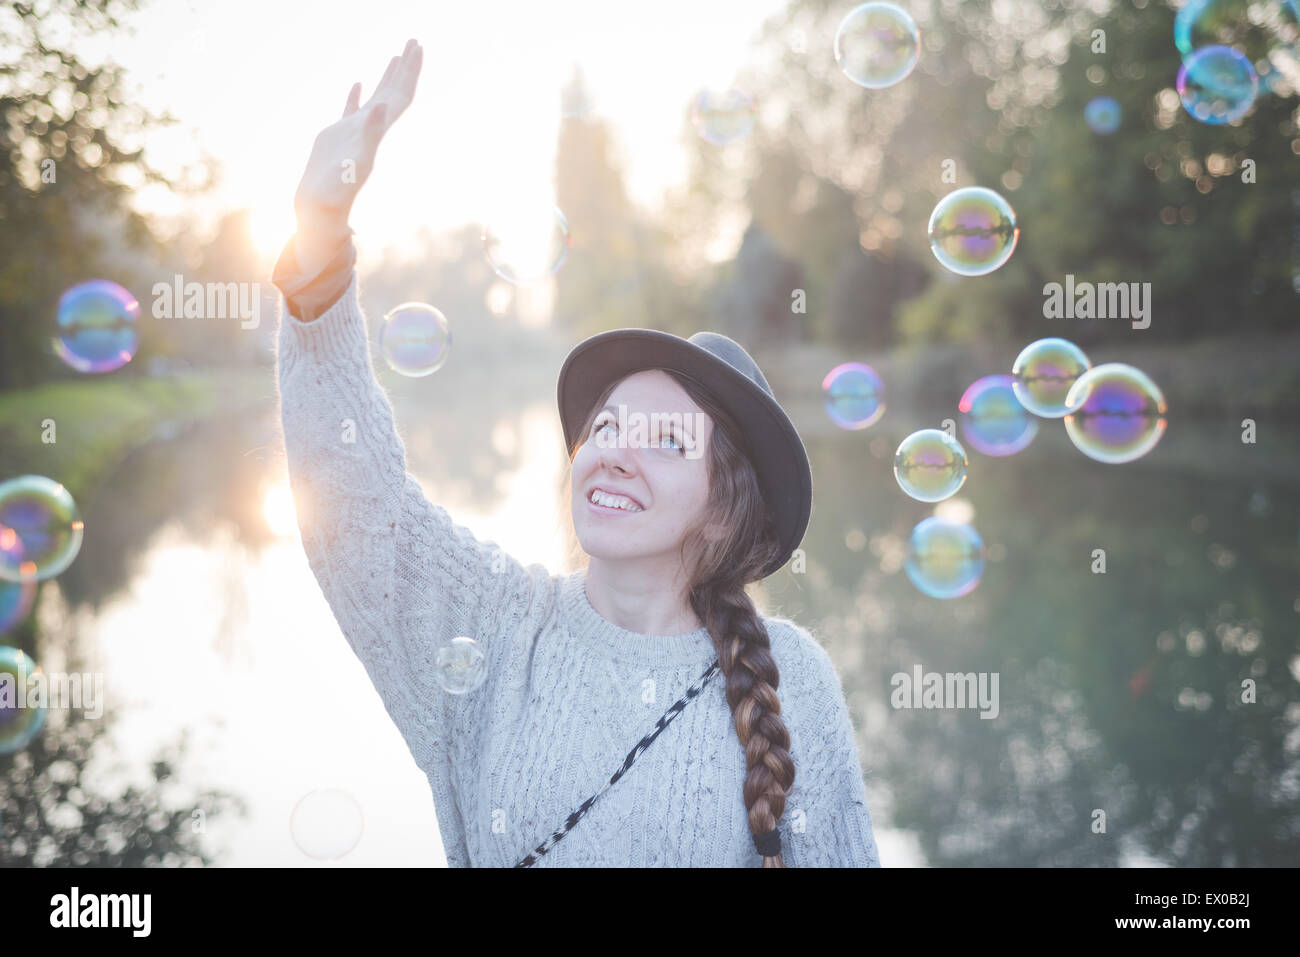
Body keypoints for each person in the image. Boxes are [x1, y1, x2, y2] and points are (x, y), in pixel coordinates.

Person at [274, 39, 881, 867]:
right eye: (606, 426)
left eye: (667, 439)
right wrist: (318, 246)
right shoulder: (494, 625)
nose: (616, 453)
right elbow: (354, 502)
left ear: (723, 506)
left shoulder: (792, 679)